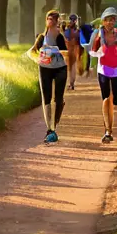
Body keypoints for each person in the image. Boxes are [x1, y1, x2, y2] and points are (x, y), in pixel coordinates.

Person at [90, 7, 117, 143]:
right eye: (107, 20)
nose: (109, 22)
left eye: (112, 20)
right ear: (103, 21)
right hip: (103, 70)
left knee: (116, 99)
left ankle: (109, 127)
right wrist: (98, 52)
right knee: (106, 98)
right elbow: (93, 50)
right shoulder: (98, 34)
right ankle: (108, 131)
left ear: (114, 21)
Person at [28, 10, 68, 143]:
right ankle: (49, 129)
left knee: (59, 98)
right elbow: (32, 51)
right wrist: (38, 59)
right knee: (46, 98)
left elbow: (66, 54)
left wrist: (57, 53)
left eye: (53, 19)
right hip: (45, 69)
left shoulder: (60, 37)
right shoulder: (41, 37)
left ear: (57, 21)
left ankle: (55, 124)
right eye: (48, 19)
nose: (50, 21)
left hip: (60, 69)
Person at [64, 14, 83, 90]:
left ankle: (71, 83)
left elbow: (67, 37)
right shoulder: (77, 30)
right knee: (72, 67)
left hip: (71, 49)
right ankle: (71, 83)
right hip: (74, 49)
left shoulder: (69, 30)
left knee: (71, 67)